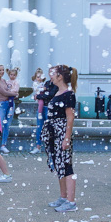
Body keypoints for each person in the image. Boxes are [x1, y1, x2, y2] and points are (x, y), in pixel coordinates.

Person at [42, 64, 78, 212]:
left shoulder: (68, 94)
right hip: (54, 132)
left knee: (66, 166)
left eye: (53, 73)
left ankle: (71, 201)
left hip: (62, 132)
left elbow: (70, 118)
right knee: (59, 165)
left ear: (60, 76)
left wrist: (66, 138)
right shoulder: (57, 92)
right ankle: (63, 197)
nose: (50, 76)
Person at [0, 64, 17, 153]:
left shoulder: (4, 80)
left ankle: (3, 145)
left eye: (2, 70)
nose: (2, 72)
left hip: (9, 104)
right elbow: (4, 92)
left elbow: (8, 91)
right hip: (1, 104)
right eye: (0, 70)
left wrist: (12, 93)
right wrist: (15, 94)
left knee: (7, 125)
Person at [31, 68, 48, 154]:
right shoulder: (37, 84)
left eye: (41, 77)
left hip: (47, 107)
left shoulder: (47, 83)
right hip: (42, 105)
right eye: (38, 77)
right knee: (39, 127)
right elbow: (39, 92)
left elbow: (48, 94)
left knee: (48, 128)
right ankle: (38, 146)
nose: (39, 78)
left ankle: (48, 146)